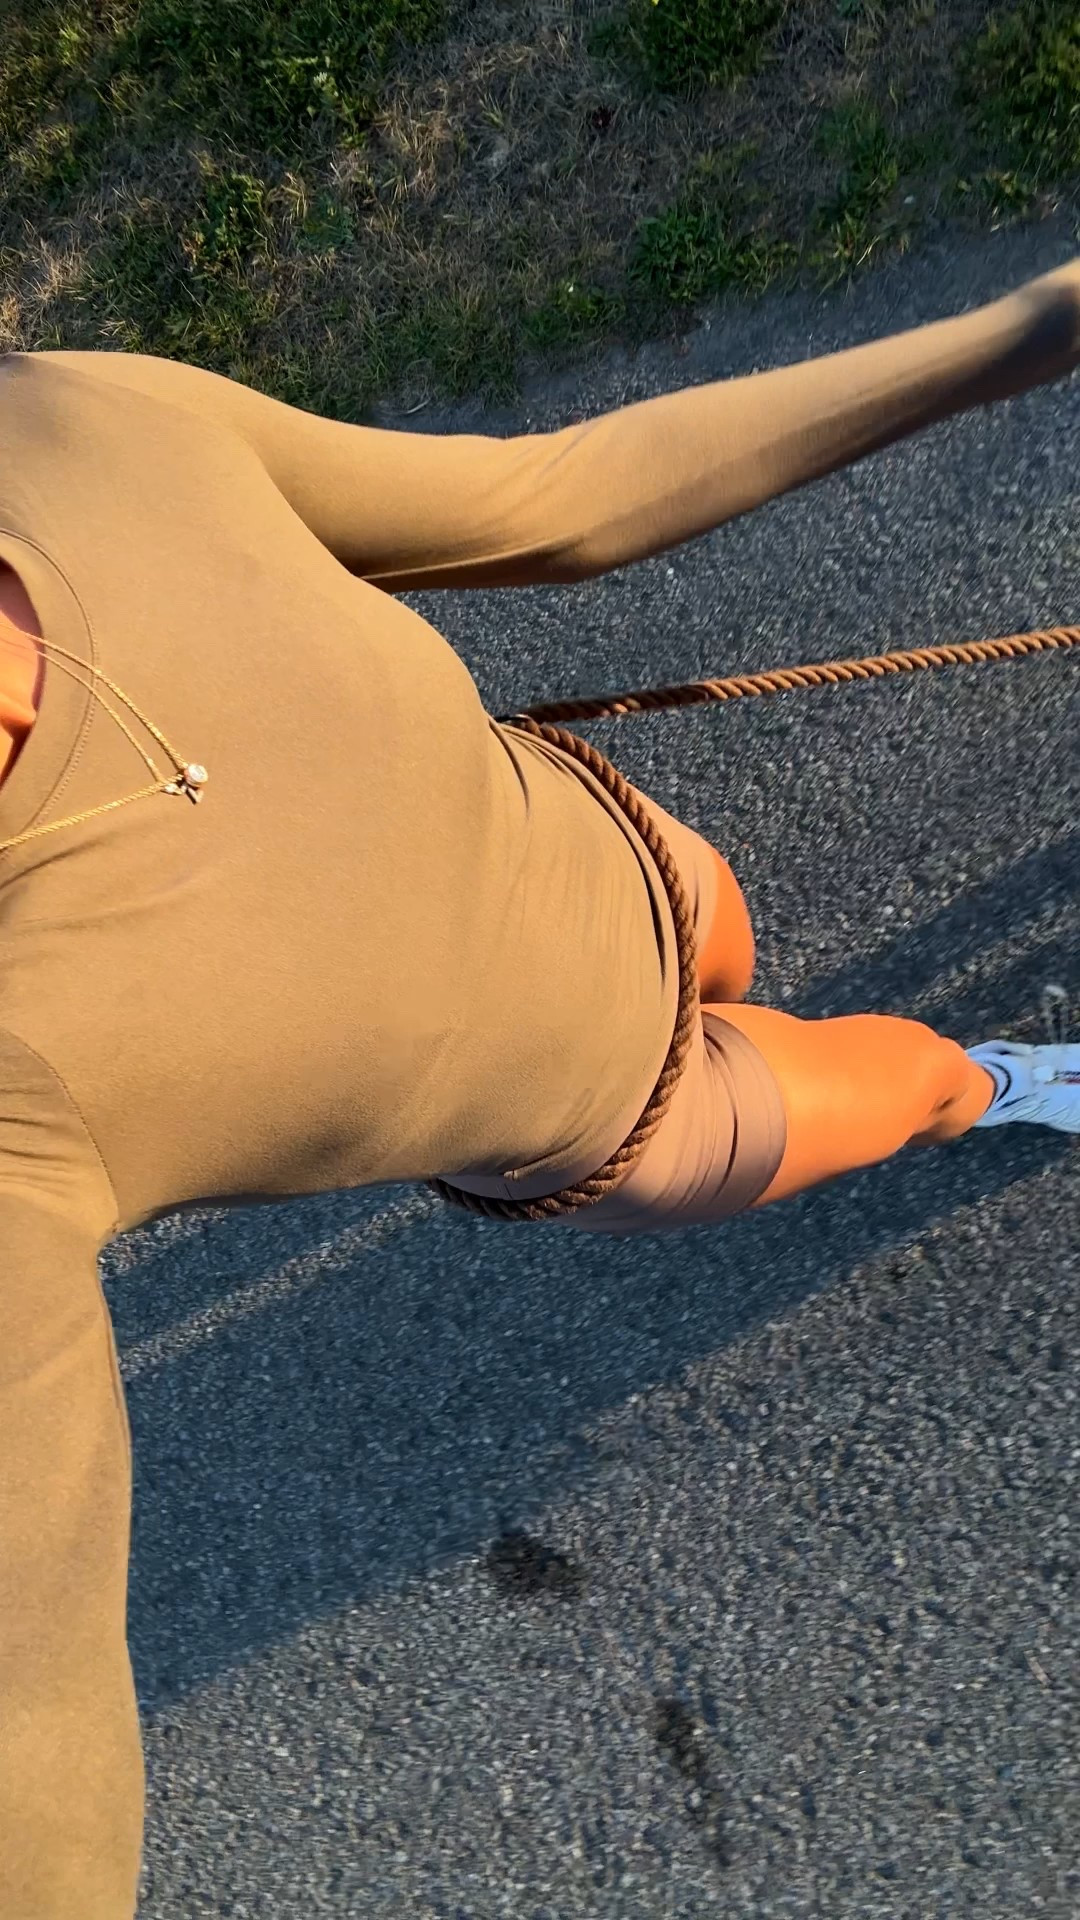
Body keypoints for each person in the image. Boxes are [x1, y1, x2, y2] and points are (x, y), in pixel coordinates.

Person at [2, 257, 1079, 1918]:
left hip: (623, 831)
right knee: (916, 1083)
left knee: (733, 935)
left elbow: (551, 497)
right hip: (636, 1118)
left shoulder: (62, 420)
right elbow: (36, 1715)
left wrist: (1037, 324)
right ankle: (1009, 1080)